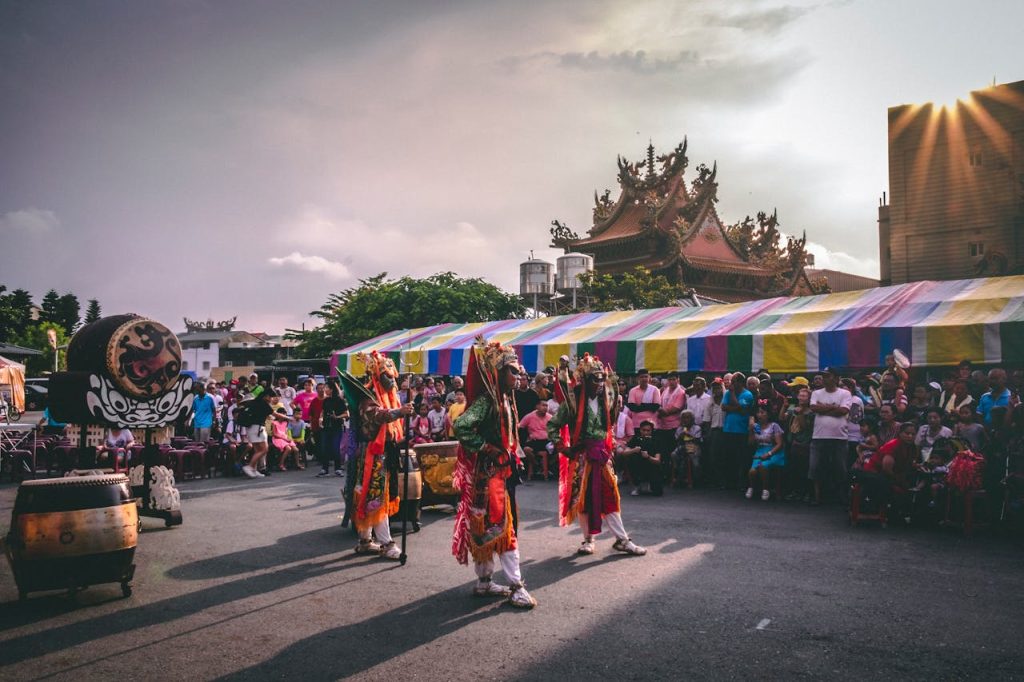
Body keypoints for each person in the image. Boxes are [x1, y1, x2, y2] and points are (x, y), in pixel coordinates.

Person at [451, 338, 536, 608]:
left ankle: (485, 582)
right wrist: (485, 447)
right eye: (513, 371)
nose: (518, 376)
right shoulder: (487, 401)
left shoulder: (506, 399)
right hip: (489, 478)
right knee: (502, 530)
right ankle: (516, 586)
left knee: (492, 528)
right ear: (499, 372)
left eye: (518, 371)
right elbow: (461, 425)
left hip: (500, 473)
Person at [548, 353, 646, 558]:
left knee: (610, 496)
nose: (600, 383)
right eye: (595, 379)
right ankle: (588, 540)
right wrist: (563, 448)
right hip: (582, 458)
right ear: (585, 380)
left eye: (602, 378)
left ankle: (622, 540)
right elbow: (552, 425)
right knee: (583, 499)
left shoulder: (606, 400)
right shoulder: (573, 402)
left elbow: (609, 426)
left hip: (601, 456)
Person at [350, 351, 414, 561]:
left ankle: (365, 540)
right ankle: (387, 543)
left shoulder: (388, 396)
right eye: (387, 376)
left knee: (371, 495)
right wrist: (399, 412)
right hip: (372, 455)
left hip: (385, 452)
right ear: (376, 375)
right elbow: (377, 415)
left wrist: (401, 411)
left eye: (393, 376)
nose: (392, 380)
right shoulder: (368, 395)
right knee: (376, 497)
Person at [808, 367, 852, 506]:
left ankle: (840, 497)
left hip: (839, 437)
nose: (825, 378)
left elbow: (843, 410)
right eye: (824, 376)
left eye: (828, 376)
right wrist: (833, 407)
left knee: (840, 468)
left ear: (836, 378)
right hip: (819, 436)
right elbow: (814, 408)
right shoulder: (816, 393)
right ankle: (817, 497)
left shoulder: (845, 393)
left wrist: (823, 408)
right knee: (815, 467)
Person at [239, 390, 286, 478]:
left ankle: (254, 470)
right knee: (264, 449)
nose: (271, 399)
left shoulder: (252, 406)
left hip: (252, 429)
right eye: (270, 397)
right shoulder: (263, 404)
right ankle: (250, 466)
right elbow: (276, 414)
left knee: (257, 450)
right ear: (266, 396)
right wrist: (289, 418)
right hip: (258, 429)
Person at [720, 372, 754, 489]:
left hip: (741, 431)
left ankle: (742, 482)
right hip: (728, 429)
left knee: (742, 458)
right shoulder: (727, 393)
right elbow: (723, 407)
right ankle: (730, 482)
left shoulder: (747, 394)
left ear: (740, 383)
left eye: (734, 382)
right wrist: (736, 408)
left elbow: (740, 407)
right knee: (729, 457)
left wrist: (732, 394)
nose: (731, 384)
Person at [746, 403, 785, 501]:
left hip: (773, 452)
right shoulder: (756, 426)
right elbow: (750, 443)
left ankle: (765, 489)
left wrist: (769, 454)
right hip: (760, 452)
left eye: (762, 412)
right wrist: (751, 431)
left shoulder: (774, 426)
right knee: (752, 471)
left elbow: (779, 444)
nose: (759, 415)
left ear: (768, 415)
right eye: (758, 412)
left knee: (763, 466)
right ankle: (751, 487)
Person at [783, 386, 814, 502]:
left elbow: (805, 427)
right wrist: (784, 406)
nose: (801, 398)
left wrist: (800, 414)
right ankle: (795, 491)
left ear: (809, 398)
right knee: (793, 469)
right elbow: (782, 418)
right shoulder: (793, 408)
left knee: (804, 469)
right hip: (792, 442)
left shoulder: (811, 412)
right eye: (800, 395)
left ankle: (805, 492)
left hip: (804, 443)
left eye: (804, 396)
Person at [655, 371, 686, 484]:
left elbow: (675, 409)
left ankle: (674, 476)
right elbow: (660, 404)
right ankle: (666, 475)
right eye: (670, 379)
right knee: (663, 453)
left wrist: (658, 409)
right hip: (662, 426)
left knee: (673, 452)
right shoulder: (665, 390)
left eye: (674, 379)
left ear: (678, 380)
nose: (671, 382)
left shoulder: (681, 392)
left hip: (674, 426)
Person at [317, 381, 348, 477]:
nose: (324, 390)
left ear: (331, 389)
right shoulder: (326, 400)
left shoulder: (339, 400)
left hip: (336, 427)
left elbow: (346, 414)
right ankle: (324, 469)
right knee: (324, 448)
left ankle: (338, 469)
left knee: (335, 448)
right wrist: (320, 419)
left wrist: (337, 417)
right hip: (326, 427)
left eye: (326, 388)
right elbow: (322, 412)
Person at [621, 420, 661, 496]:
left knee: (658, 492)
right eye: (643, 430)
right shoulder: (635, 439)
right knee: (632, 458)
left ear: (651, 431)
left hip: (651, 465)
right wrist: (634, 450)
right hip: (637, 464)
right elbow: (624, 453)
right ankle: (637, 485)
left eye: (648, 431)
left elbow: (658, 461)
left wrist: (648, 457)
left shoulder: (656, 440)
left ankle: (651, 484)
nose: (645, 432)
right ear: (640, 430)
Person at [518, 401, 552, 480]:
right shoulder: (530, 416)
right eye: (543, 405)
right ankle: (536, 465)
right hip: (534, 441)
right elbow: (520, 426)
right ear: (537, 406)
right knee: (526, 449)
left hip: (546, 442)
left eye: (546, 406)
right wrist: (527, 436)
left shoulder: (550, 417)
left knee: (559, 450)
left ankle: (547, 469)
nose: (545, 408)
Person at [673, 410, 702, 488]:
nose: (685, 420)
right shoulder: (679, 429)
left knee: (695, 462)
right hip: (682, 446)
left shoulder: (697, 428)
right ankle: (679, 476)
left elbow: (698, 440)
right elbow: (677, 441)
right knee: (674, 455)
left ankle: (697, 480)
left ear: (692, 419)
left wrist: (689, 435)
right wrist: (681, 436)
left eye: (687, 418)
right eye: (683, 418)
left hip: (694, 446)